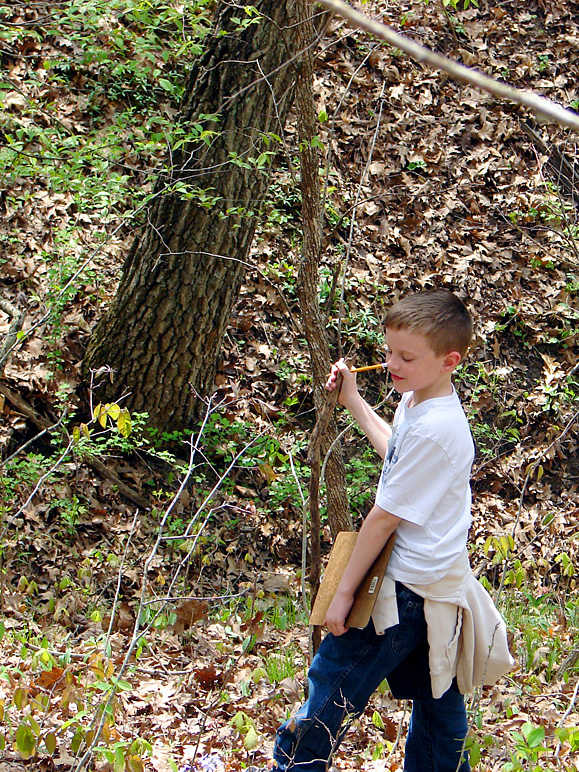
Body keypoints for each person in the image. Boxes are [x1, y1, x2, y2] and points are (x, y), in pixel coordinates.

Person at [268, 290, 513, 772]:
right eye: (388, 353)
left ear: (450, 360)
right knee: (439, 713)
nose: (392, 364)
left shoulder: (437, 427)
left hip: (404, 593)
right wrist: (354, 402)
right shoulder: (418, 402)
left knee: (327, 696)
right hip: (427, 586)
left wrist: (343, 593)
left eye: (406, 357)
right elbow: (396, 457)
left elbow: (383, 516)